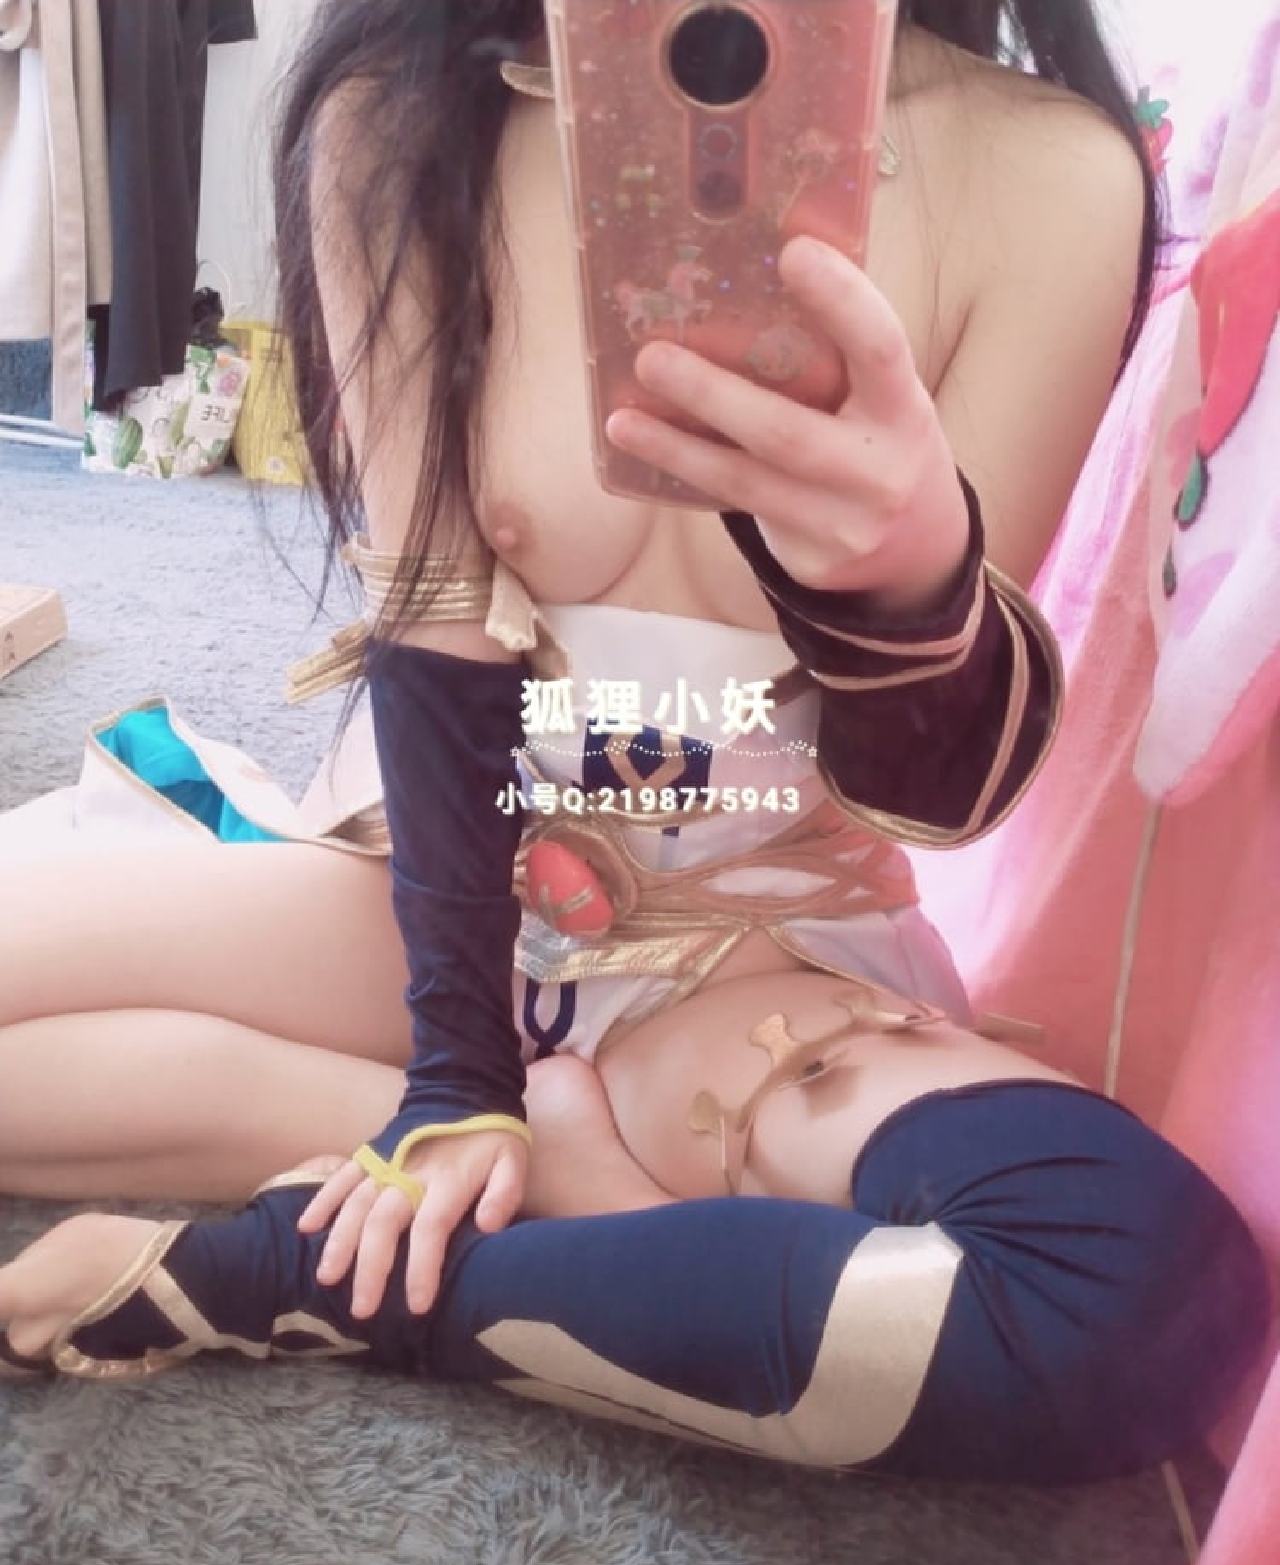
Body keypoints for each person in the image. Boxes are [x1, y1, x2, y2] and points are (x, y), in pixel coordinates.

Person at [0, 0, 1268, 1481]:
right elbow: (437, 636)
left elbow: (944, 799)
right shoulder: (403, 114)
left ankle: (301, 1271)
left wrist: (911, 588)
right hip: (441, 891)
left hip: (760, 959)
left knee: (1134, 1294)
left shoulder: (1048, 172)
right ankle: (543, 1174)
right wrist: (460, 1083)